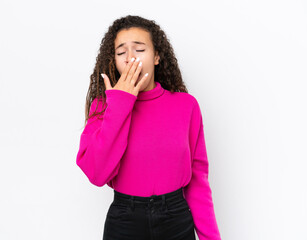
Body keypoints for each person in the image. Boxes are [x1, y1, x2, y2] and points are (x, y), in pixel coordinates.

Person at [76, 15, 222, 240]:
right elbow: (97, 174)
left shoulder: (186, 105)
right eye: (121, 52)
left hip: (176, 219)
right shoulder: (103, 107)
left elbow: (198, 179)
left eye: (139, 50)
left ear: (156, 57)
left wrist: (211, 237)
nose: (130, 58)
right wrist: (120, 103)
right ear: (114, 60)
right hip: (124, 221)